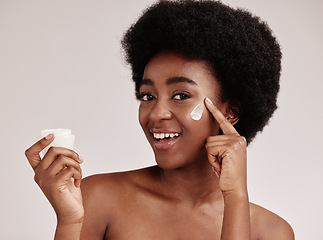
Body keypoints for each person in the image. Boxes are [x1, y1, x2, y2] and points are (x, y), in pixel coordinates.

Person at [25, 0, 294, 239]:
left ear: (230, 112)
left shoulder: (272, 232)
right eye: (147, 96)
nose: (156, 113)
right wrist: (70, 222)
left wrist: (235, 198)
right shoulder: (99, 198)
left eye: (180, 95)